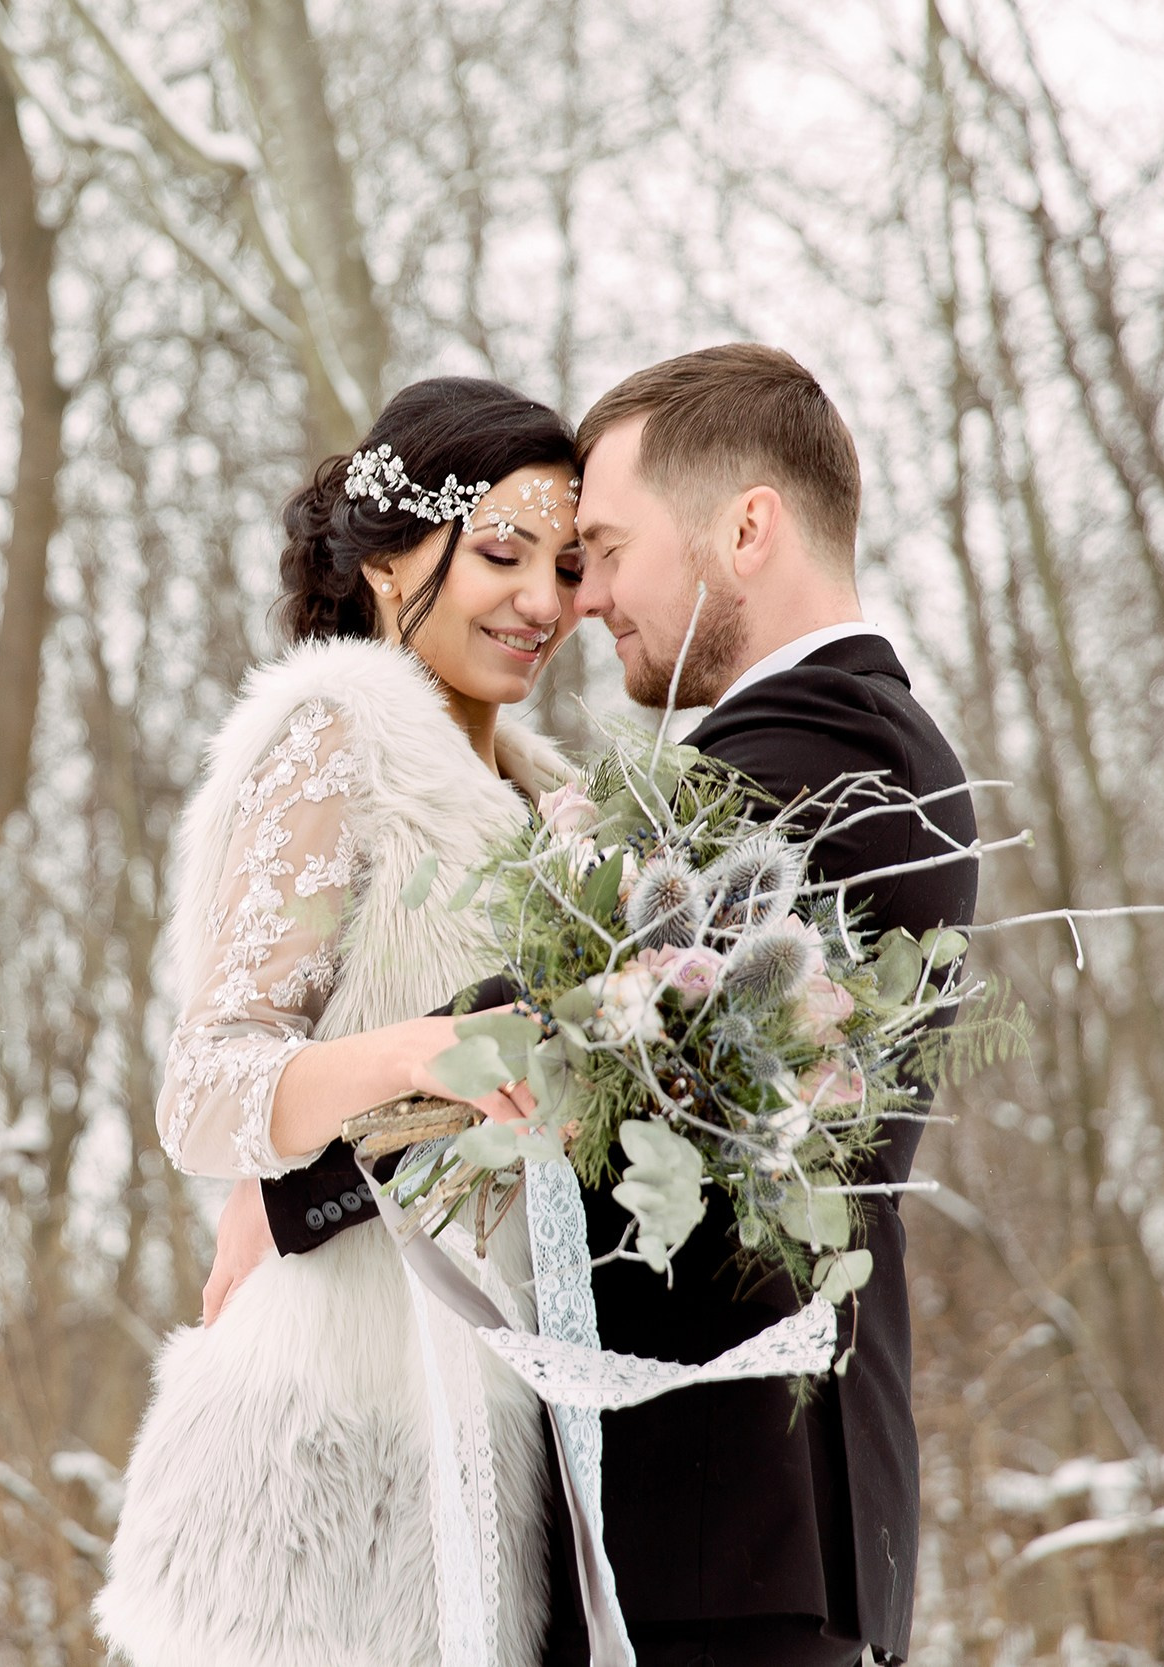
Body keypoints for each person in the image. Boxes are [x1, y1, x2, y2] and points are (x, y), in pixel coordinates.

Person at [247, 344, 979, 1667]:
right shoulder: (817, 746)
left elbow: (576, 1015)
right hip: (727, 1533)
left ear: (748, 526)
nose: (582, 602)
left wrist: (293, 1184)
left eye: (605, 548)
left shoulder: (826, 757)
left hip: (731, 1532)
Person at [93, 377, 585, 1667]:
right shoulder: (336, 740)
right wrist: (420, 1053)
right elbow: (206, 1086)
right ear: (384, 564)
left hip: (489, 1461)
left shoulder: (560, 818)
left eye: (571, 563)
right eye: (501, 553)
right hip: (313, 1449)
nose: (544, 601)